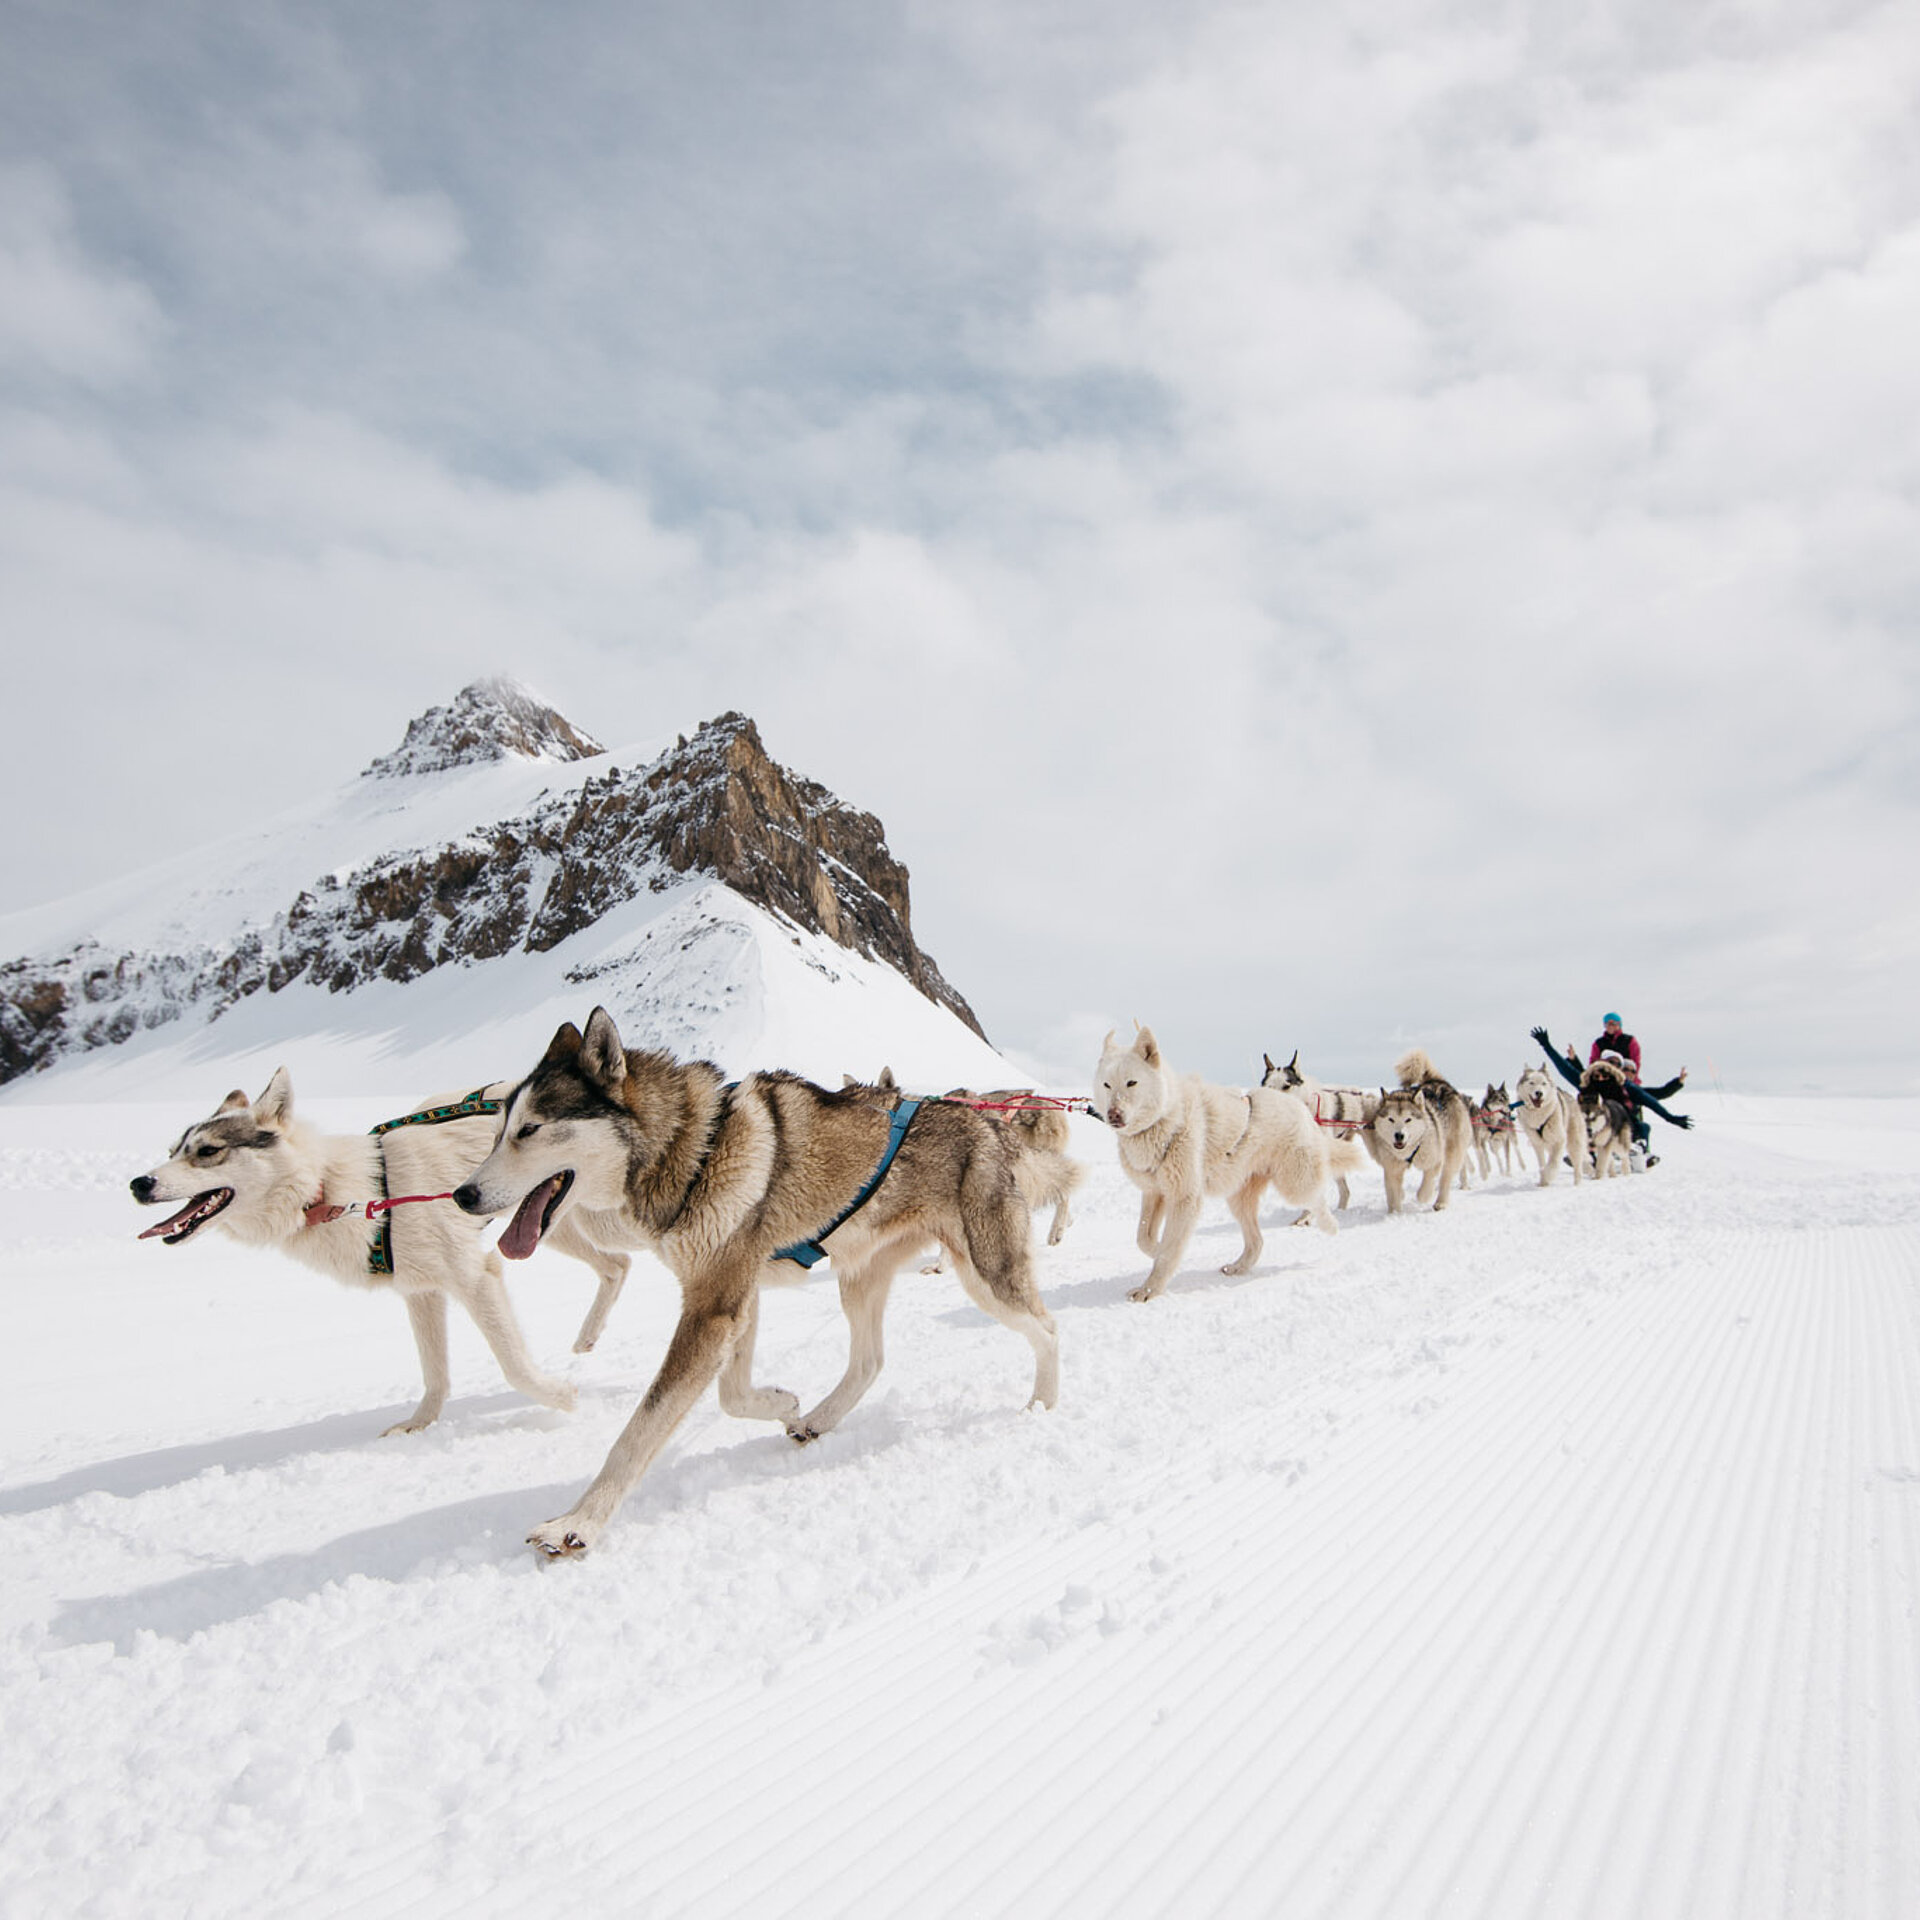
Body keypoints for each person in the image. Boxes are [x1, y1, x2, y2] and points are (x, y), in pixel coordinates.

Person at [1530, 1023, 1692, 1168]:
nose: (1608, 1069)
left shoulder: (1625, 1086)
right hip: (1594, 1125)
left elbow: (1650, 1101)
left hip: (1621, 1125)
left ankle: (1638, 1152)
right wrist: (1547, 1045)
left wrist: (1671, 1118)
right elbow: (1564, 1068)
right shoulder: (1588, 1081)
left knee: (1642, 1127)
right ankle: (1587, 1155)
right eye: (1609, 1062)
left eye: (1615, 1064)